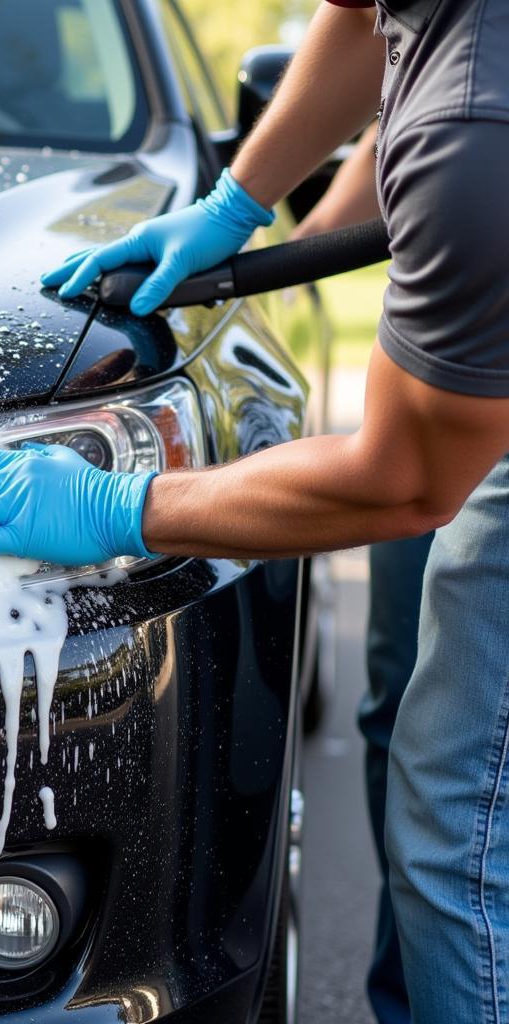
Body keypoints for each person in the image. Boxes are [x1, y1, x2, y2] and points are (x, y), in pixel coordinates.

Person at [0, 3, 509, 1022]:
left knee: (461, 815)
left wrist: (113, 501)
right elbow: (374, 25)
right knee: (400, 700)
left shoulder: (474, 130)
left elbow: (403, 484)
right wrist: (238, 202)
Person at [293, 122, 432, 1024]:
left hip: (461, 386)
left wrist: (125, 508)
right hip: (444, 371)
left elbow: (399, 482)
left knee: (451, 766)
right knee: (406, 720)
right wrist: (278, 251)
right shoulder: (435, 67)